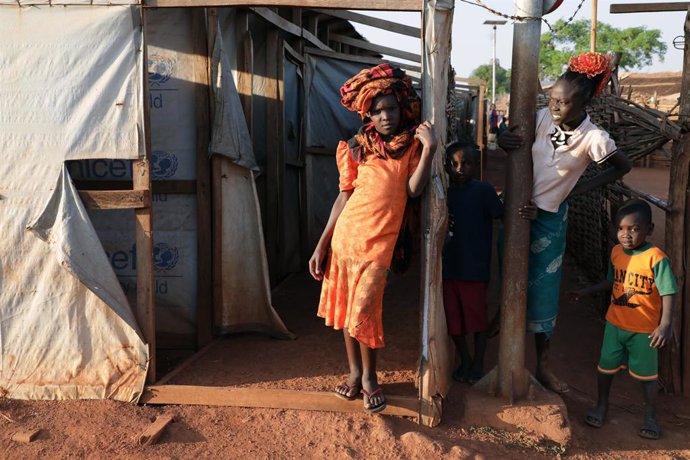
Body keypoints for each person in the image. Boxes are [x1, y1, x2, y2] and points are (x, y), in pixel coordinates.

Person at [498, 52, 632, 393]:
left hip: (550, 219)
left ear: (584, 100)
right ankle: (500, 350)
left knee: (543, 294)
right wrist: (503, 137)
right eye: (552, 99)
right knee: (508, 276)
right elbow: (509, 136)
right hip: (516, 211)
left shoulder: (594, 138)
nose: (555, 107)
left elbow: (622, 166)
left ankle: (542, 366)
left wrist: (576, 189)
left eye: (563, 102)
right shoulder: (540, 118)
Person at [308, 63, 437, 413]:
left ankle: (369, 378)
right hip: (346, 241)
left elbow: (413, 190)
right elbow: (343, 196)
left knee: (364, 309)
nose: (385, 117)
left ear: (401, 107)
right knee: (348, 312)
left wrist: (429, 150)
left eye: (391, 108)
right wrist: (322, 244)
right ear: (367, 113)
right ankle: (354, 373)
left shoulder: (410, 146)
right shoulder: (356, 147)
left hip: (379, 246)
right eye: (377, 111)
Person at [571, 199, 677, 440]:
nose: (625, 234)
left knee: (647, 377)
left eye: (634, 229)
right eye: (620, 228)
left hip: (644, 330)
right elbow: (611, 281)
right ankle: (602, 405)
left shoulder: (656, 258)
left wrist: (665, 324)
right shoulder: (616, 252)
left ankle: (651, 416)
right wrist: (585, 291)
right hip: (614, 324)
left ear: (649, 229)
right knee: (604, 369)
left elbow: (669, 291)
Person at [443, 141, 506, 384]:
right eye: (455, 164)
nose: (460, 168)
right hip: (448, 267)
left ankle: (478, 361)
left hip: (475, 268)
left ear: (476, 165)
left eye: (466, 163)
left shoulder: (484, 192)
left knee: (476, 317)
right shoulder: (443, 194)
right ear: (447, 167)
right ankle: (465, 358)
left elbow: (502, 216)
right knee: (453, 319)